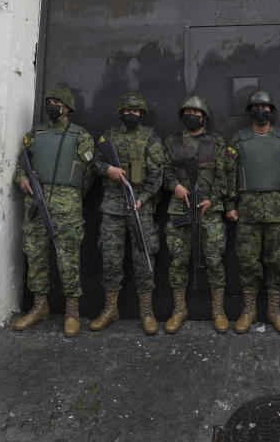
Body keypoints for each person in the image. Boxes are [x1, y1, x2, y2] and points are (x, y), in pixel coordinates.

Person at [12, 86, 94, 336]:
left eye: (57, 102)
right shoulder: (35, 134)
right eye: (50, 101)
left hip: (66, 208)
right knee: (35, 257)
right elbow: (20, 164)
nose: (52, 106)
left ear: (67, 108)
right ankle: (39, 307)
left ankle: (72, 312)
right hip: (36, 205)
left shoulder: (81, 136)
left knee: (67, 258)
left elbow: (88, 175)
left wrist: (70, 196)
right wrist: (22, 180)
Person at [90, 92, 166, 335]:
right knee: (111, 259)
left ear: (141, 114)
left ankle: (146, 311)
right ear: (121, 113)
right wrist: (108, 169)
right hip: (113, 206)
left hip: (139, 206)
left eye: (136, 112)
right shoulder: (109, 136)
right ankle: (110, 309)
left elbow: (158, 175)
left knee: (144, 259)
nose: (131, 115)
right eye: (127, 111)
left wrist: (143, 198)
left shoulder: (151, 138)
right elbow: (94, 162)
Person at [224, 90, 280, 335]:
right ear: (250, 112)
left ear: (271, 111)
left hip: (277, 212)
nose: (260, 110)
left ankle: (275, 312)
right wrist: (230, 205)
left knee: (277, 263)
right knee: (247, 262)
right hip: (247, 213)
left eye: (265, 106)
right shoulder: (238, 139)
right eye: (256, 107)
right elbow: (228, 173)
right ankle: (249, 310)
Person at [162, 95, 231, 334]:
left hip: (209, 212)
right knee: (178, 261)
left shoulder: (217, 142)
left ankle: (218, 311)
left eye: (196, 112)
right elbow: (164, 171)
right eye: (187, 112)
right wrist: (176, 187)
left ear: (204, 116)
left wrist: (213, 200)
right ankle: (180, 309)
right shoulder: (172, 141)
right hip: (180, 209)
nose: (192, 116)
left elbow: (225, 176)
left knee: (213, 261)